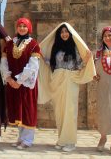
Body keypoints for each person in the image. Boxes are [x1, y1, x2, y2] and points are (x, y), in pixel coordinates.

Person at [38, 22, 94, 152]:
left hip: (70, 80)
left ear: (70, 34)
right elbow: (51, 64)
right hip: (57, 82)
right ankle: (61, 139)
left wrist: (86, 60)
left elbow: (78, 65)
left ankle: (70, 142)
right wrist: (41, 56)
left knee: (70, 111)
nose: (64, 34)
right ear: (59, 34)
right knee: (60, 112)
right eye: (62, 32)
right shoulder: (55, 48)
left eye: (66, 32)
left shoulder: (74, 48)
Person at [0, 17, 40, 149]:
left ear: (29, 28)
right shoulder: (10, 44)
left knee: (27, 110)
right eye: (20, 26)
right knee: (18, 110)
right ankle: (21, 138)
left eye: (24, 26)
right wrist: (8, 78)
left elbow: (33, 66)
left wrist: (19, 80)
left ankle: (27, 140)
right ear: (17, 28)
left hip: (26, 83)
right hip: (13, 83)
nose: (22, 28)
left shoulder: (33, 44)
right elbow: (4, 62)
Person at [94, 26, 111, 154]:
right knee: (103, 111)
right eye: (105, 36)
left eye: (110, 35)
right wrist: (94, 75)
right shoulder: (98, 53)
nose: (107, 38)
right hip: (102, 87)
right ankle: (103, 137)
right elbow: (92, 69)